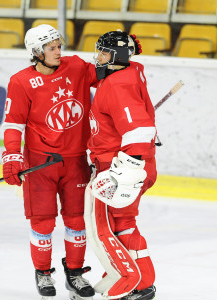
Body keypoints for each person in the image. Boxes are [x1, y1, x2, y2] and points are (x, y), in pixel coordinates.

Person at [1, 24, 99, 300]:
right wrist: (12, 157)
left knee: (77, 220)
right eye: (51, 47)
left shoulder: (77, 67)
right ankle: (43, 272)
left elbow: (107, 77)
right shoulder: (20, 81)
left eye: (59, 45)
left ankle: (75, 273)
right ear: (36, 52)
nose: (59, 51)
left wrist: (123, 59)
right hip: (40, 163)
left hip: (76, 160)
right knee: (42, 221)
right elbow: (13, 125)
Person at [84, 30, 157, 300]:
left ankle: (129, 278)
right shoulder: (126, 74)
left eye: (104, 52)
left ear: (118, 56)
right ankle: (141, 279)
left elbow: (139, 130)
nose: (98, 57)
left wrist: (125, 172)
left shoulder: (118, 85)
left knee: (106, 227)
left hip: (121, 168)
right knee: (124, 224)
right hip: (129, 163)